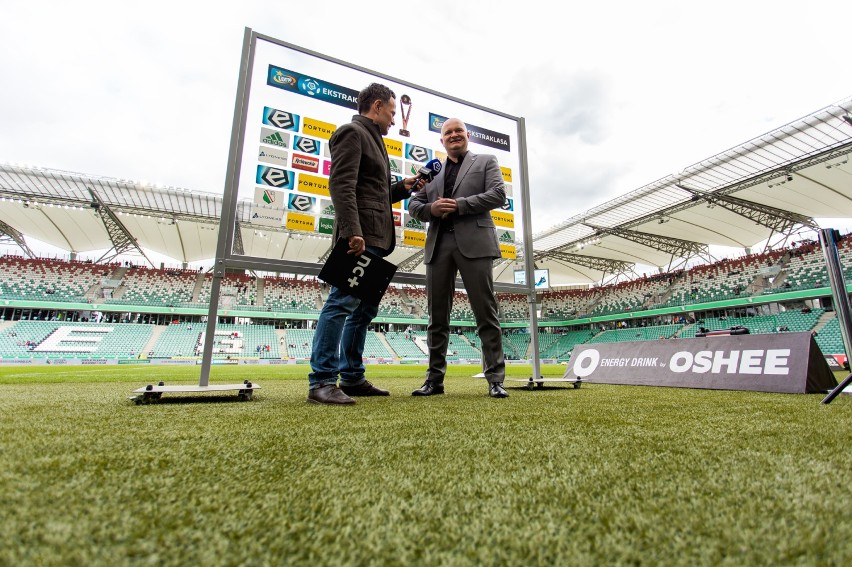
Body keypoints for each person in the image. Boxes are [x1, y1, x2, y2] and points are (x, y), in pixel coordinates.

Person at [307, 83, 423, 405]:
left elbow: (373, 192)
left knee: (365, 310)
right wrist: (352, 231)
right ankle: (322, 381)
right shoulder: (352, 133)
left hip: (375, 238)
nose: (393, 120)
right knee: (341, 304)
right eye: (390, 111)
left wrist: (402, 187)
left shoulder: (374, 140)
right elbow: (341, 186)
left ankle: (353, 377)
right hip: (359, 239)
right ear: (376, 106)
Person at [408, 118, 508, 398]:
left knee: (485, 313)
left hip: (475, 242)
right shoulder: (432, 172)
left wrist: (460, 205)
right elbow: (414, 204)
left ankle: (495, 379)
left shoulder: (486, 160)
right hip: (439, 245)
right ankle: (434, 381)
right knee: (436, 317)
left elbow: (499, 194)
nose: (453, 135)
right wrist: (433, 208)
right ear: (442, 141)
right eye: (448, 132)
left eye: (458, 131)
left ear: (467, 136)